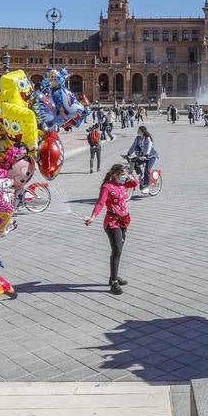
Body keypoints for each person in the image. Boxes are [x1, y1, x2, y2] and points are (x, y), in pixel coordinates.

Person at [85, 163, 139, 295]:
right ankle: (114, 283)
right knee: (117, 251)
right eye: (122, 175)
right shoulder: (107, 187)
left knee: (118, 251)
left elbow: (135, 184)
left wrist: (130, 176)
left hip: (124, 221)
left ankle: (113, 277)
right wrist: (93, 217)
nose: (124, 177)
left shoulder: (122, 185)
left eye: (124, 175)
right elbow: (100, 203)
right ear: (114, 174)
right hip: (112, 222)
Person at [125, 126, 158, 192]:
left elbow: (149, 147)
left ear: (143, 132)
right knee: (134, 163)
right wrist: (128, 154)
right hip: (143, 156)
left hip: (151, 156)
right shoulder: (138, 138)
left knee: (147, 170)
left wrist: (146, 154)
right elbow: (133, 146)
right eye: (138, 131)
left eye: (139, 131)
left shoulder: (147, 138)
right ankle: (140, 174)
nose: (138, 132)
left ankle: (147, 186)